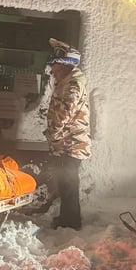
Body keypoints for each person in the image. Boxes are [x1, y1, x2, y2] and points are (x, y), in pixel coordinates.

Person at [43, 38, 91, 230]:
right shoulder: (68, 81)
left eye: (55, 67)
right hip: (67, 143)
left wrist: (53, 135)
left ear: (65, 65)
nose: (52, 71)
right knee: (65, 183)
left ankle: (71, 223)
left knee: (69, 184)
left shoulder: (72, 85)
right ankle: (67, 219)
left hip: (72, 143)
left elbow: (65, 113)